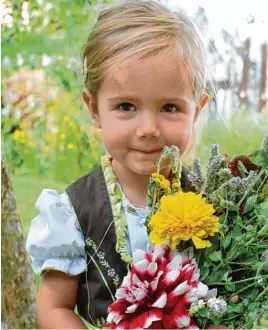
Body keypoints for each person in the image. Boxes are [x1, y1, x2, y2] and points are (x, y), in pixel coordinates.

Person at [26, 1, 211, 328]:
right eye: (126, 106)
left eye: (169, 107)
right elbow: (54, 308)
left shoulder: (214, 203)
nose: (149, 128)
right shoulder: (74, 212)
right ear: (93, 106)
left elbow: (233, 299)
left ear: (197, 110)